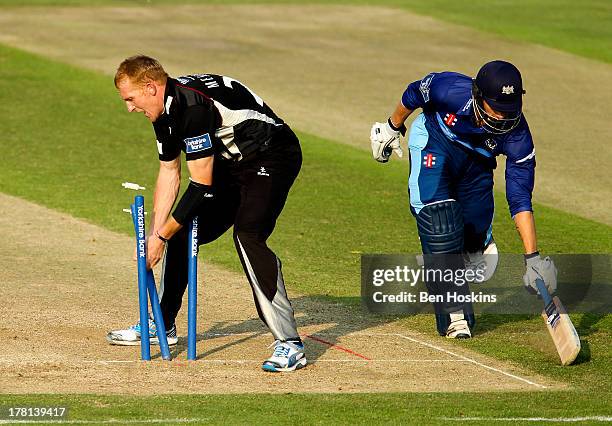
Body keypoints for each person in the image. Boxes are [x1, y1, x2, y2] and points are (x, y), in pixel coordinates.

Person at [106, 55, 306, 372]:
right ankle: (162, 323)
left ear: (149, 87)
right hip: (231, 163)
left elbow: (199, 185)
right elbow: (169, 174)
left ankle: (290, 343)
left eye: (130, 99)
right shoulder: (162, 111)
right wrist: (156, 236)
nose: (129, 108)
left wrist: (160, 237)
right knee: (181, 233)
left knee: (247, 235)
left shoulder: (192, 108)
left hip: (272, 155)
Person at [370, 60, 558, 338]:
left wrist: (532, 258)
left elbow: (520, 199)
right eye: (497, 110)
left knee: (474, 251)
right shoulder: (450, 89)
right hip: (435, 143)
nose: (503, 119)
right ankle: (454, 314)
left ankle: (448, 258)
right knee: (440, 224)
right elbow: (414, 93)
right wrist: (391, 126)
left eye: (510, 111)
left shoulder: (518, 136)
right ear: (478, 96)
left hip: (477, 165)